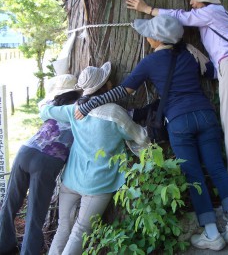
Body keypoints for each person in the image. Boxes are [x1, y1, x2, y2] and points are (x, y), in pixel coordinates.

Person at [74, 15, 228, 251]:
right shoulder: (189, 53)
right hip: (206, 114)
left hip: (179, 120)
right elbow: (210, 71)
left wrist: (88, 105)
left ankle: (211, 234)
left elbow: (122, 91)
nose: (146, 37)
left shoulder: (149, 62)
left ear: (157, 38)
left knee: (193, 176)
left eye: (148, 33)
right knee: (217, 168)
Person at [125, 0, 228, 197]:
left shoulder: (208, 13)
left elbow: (179, 17)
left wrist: (148, 9)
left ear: (203, 0)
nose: (191, 3)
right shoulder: (221, 12)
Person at [39, 63, 149, 255]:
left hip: (71, 179)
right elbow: (141, 137)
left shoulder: (74, 110)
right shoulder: (114, 113)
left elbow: (44, 111)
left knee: (63, 228)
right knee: (80, 231)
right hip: (98, 183)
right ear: (106, 86)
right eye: (109, 81)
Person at [0, 74, 82, 255]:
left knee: (9, 204)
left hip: (25, 151)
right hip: (47, 161)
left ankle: (3, 245)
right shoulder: (81, 109)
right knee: (35, 216)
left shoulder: (52, 105)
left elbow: (41, 106)